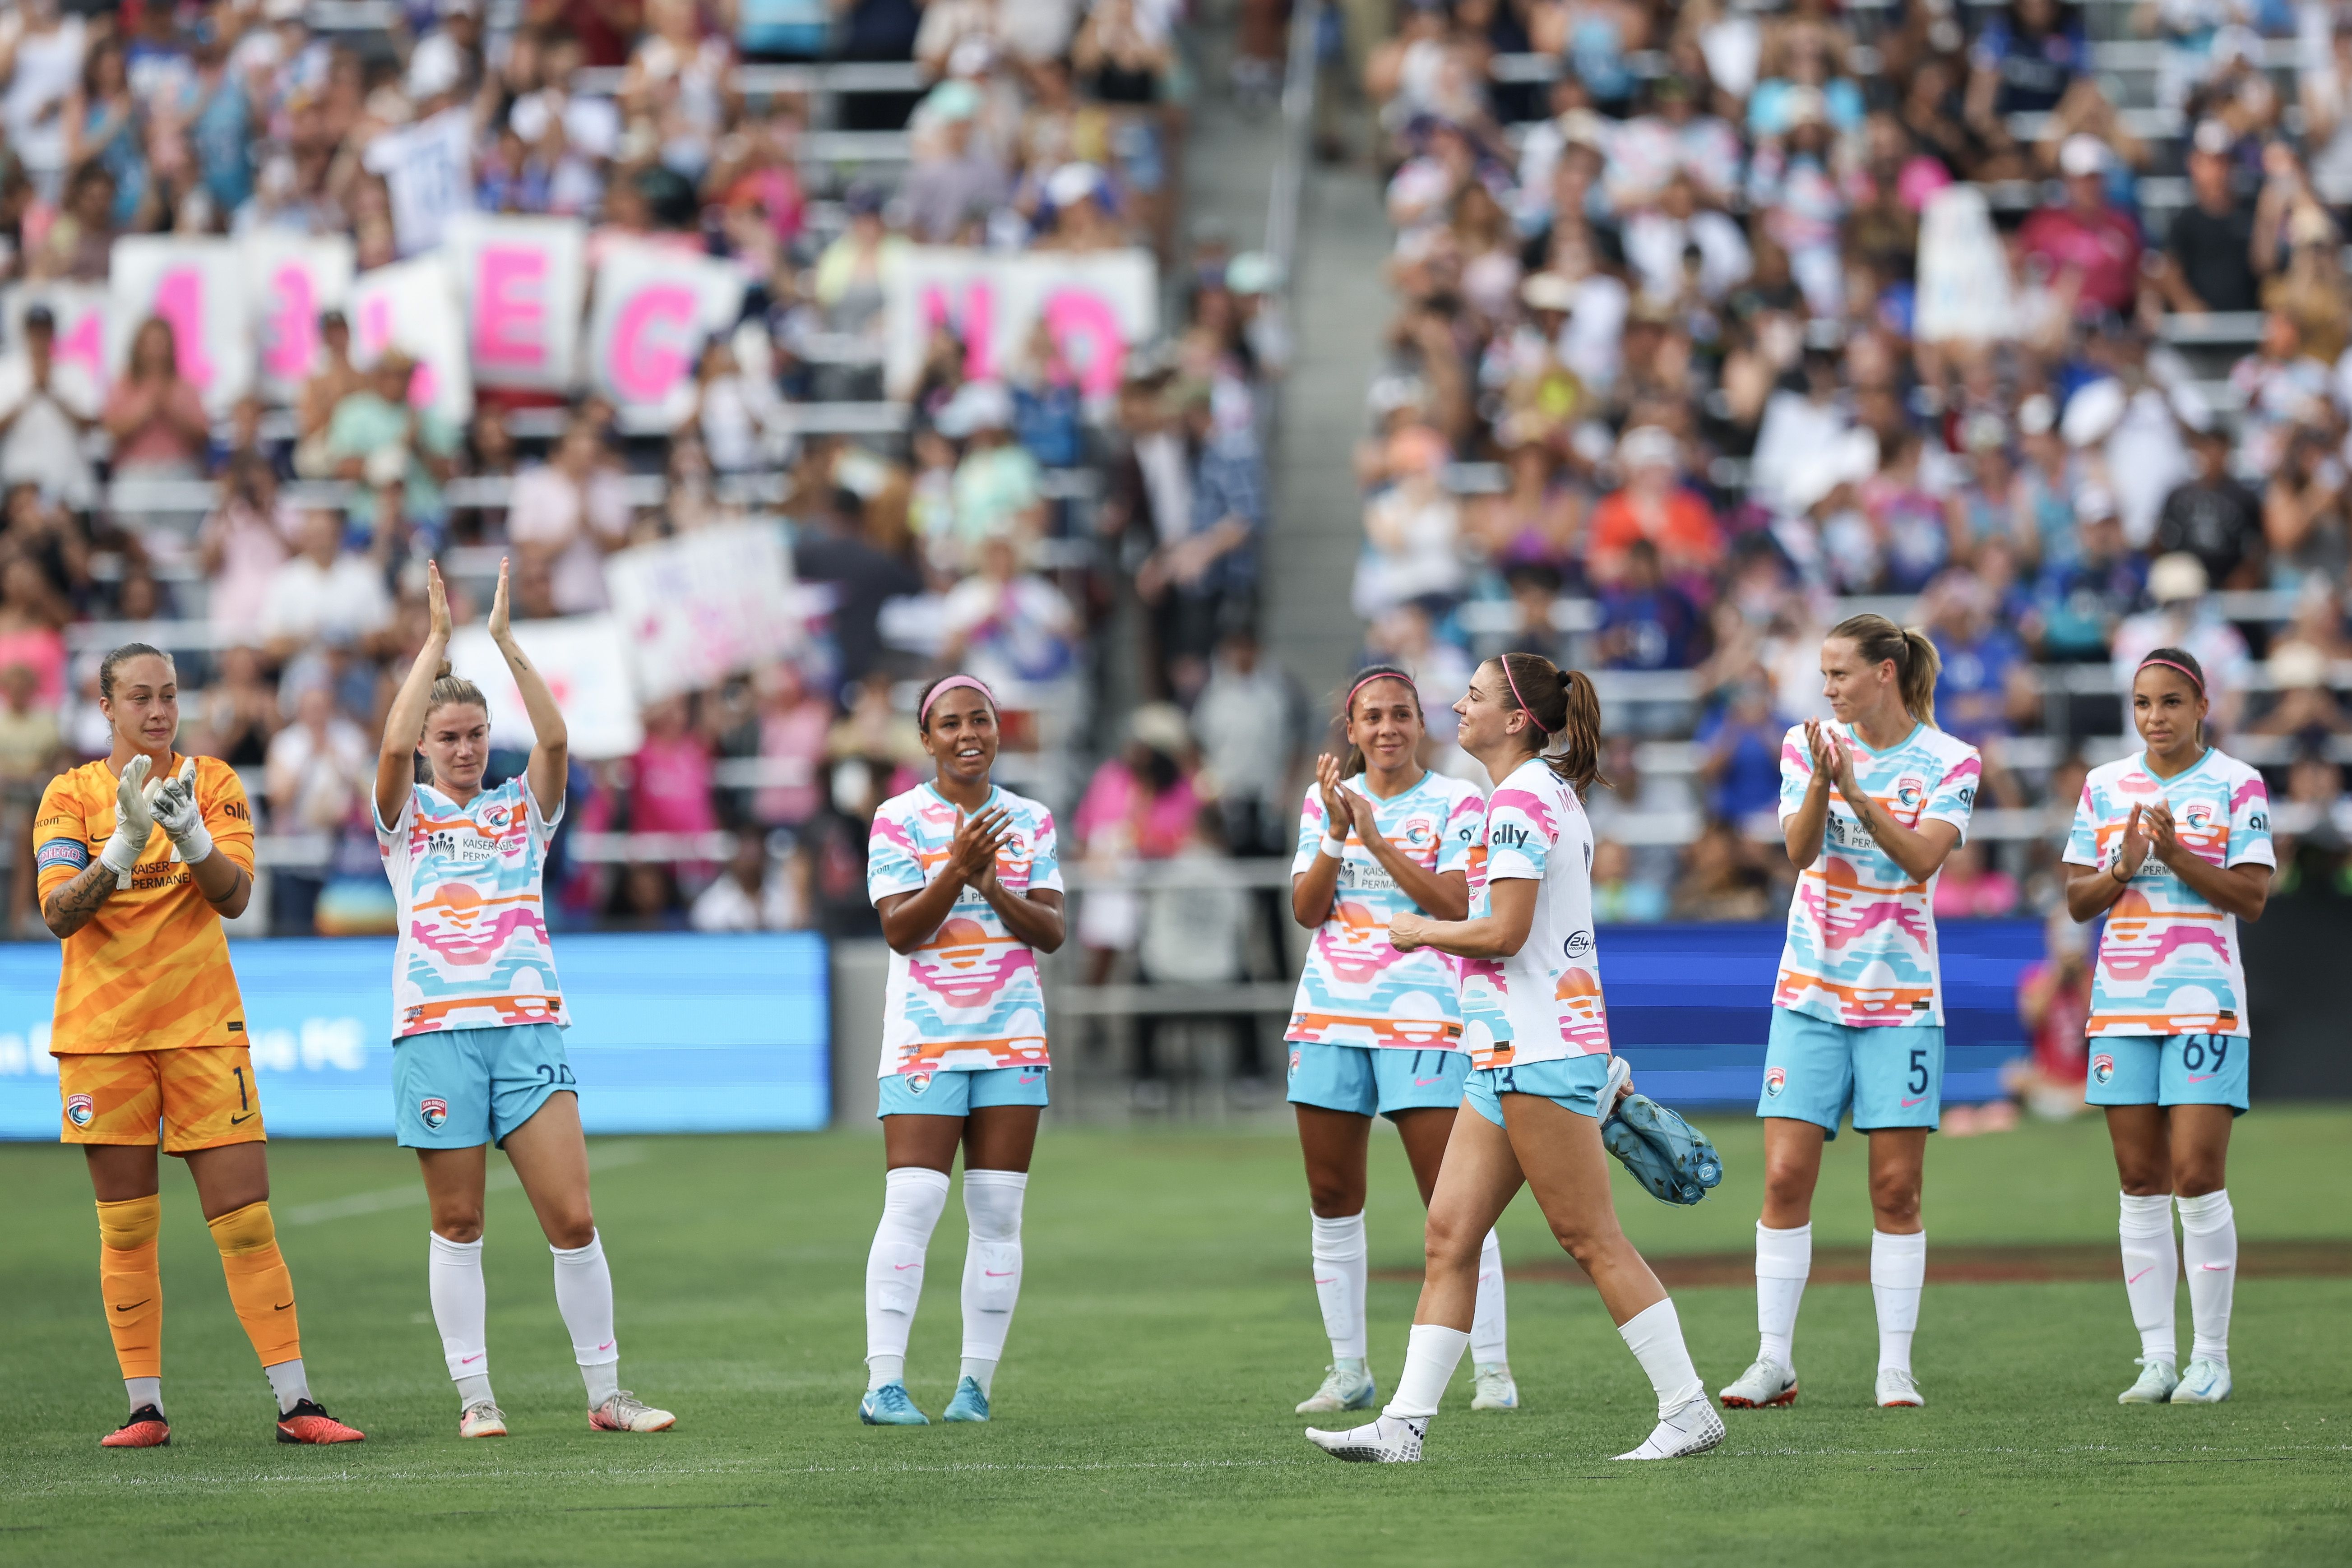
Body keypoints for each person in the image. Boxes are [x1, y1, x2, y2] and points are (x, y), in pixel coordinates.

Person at [1306, 652, 1724, 1465]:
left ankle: (1688, 1407)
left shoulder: (1522, 799)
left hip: (1538, 1051)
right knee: (1449, 1237)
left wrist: (1419, 929)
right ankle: (1403, 1426)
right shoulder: (1533, 794)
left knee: (1589, 1237)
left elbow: (1504, 932)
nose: (1457, 708)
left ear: (1516, 720)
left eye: (1474, 698)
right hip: (1507, 1051)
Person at [373, 560, 675, 1438]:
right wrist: (435, 643)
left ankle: (607, 1394)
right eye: (449, 737)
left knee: (573, 1217)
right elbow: (388, 749)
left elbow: (556, 745)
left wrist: (503, 642)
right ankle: (477, 1398)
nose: (464, 748)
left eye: (474, 734)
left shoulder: (519, 812)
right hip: (434, 1035)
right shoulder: (408, 821)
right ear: (430, 745)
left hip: (527, 1029)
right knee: (457, 1220)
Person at [35, 643, 363, 1448]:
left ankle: (297, 1405)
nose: (157, 711)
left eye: (170, 696)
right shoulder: (71, 795)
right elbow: (58, 913)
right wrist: (120, 846)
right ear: (105, 707)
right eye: (140, 697)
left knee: (247, 1220)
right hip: (104, 1039)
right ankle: (145, 1409)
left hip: (201, 1031)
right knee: (127, 1227)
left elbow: (238, 897)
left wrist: (190, 840)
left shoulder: (212, 784)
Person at [1719, 614, 1981, 1414]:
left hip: (1902, 999)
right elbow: (1798, 854)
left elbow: (1924, 858)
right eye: (1823, 675)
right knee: (1784, 1174)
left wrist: (1860, 795)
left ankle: (1894, 1367)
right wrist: (1826, 783)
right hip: (1809, 991)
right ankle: (1774, 1362)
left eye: (1839, 675)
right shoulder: (1807, 746)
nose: (1826, 689)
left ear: (1885, 675)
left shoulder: (1951, 760)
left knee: (1896, 1189)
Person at [1284, 666, 1514, 1418]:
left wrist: (1375, 842)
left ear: (1423, 725)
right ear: (1350, 731)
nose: (1387, 729)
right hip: (1329, 1018)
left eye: (1402, 715)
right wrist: (1334, 832)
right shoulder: (1326, 803)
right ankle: (1348, 1370)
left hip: (1426, 1023)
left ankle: (1494, 1372)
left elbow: (1454, 903)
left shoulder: (1458, 800)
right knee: (1331, 1199)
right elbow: (1307, 911)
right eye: (1372, 718)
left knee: (1452, 1205)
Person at [2062, 648, 2271, 1407]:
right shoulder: (2104, 786)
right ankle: (2158, 1359)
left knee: (2197, 1177)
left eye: (2172, 703)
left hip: (2205, 1002)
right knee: (2138, 1183)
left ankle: (2211, 1358)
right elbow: (2078, 901)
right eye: (2144, 703)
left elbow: (2250, 898)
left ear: (2201, 707)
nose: (2156, 717)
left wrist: (2174, 853)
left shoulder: (2237, 784)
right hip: (2121, 1006)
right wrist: (2123, 866)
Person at [859, 674, 1066, 1426]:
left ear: (998, 730)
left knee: (996, 1213)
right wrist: (956, 869)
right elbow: (901, 931)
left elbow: (1049, 932)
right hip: (926, 1036)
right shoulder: (897, 820)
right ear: (926, 739)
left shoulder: (1032, 821)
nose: (968, 734)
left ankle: (973, 1386)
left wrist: (990, 882)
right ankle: (884, 1383)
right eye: (950, 724)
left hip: (1011, 1034)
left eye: (980, 719)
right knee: (913, 1202)